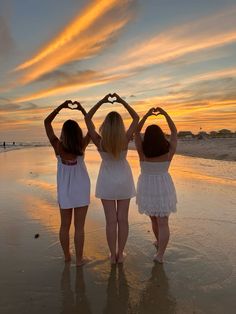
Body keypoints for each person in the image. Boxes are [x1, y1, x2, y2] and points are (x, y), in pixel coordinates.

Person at [85, 93, 139, 264]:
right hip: (124, 181)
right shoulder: (124, 139)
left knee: (111, 221)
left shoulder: (99, 141)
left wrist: (102, 101)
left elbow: (87, 118)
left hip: (107, 182)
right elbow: (136, 117)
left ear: (105, 126)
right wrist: (121, 101)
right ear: (120, 126)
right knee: (122, 219)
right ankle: (120, 254)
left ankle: (112, 256)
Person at [44, 100, 91, 266]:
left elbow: (46, 122)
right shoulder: (82, 147)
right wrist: (82, 110)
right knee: (79, 228)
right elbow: (90, 126)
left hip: (65, 190)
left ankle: (67, 257)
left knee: (65, 226)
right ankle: (79, 260)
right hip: (82, 189)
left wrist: (61, 107)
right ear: (78, 133)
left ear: (63, 133)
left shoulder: (58, 147)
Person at [135, 107, 177, 263]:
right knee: (163, 222)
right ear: (161, 137)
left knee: (154, 219)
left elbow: (136, 132)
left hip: (147, 187)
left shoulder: (142, 152)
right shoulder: (168, 152)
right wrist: (165, 114)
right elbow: (173, 132)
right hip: (163, 186)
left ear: (147, 138)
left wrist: (146, 115)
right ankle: (160, 253)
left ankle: (160, 247)